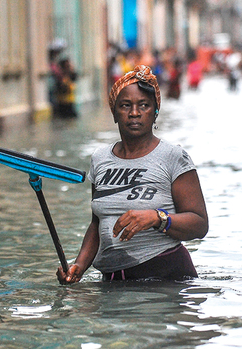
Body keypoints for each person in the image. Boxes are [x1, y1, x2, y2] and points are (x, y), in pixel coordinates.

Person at [57, 65, 209, 284]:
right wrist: (79, 266)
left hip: (165, 279)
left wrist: (157, 218)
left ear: (155, 112)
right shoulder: (100, 160)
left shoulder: (173, 157)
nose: (135, 113)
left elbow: (200, 224)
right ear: (114, 113)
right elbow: (97, 223)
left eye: (144, 106)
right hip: (112, 282)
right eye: (125, 106)